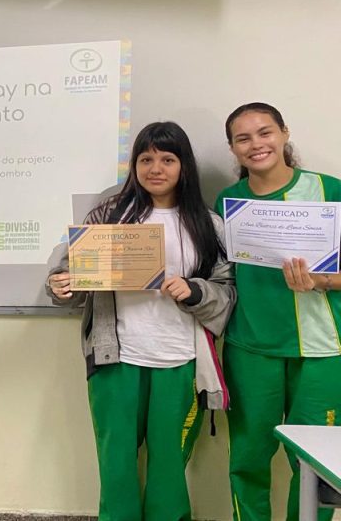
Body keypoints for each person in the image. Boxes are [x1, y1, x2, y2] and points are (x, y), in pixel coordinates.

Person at [46, 121, 235, 520]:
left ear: (184, 165)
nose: (155, 168)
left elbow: (227, 290)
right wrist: (62, 285)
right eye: (145, 159)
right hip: (116, 356)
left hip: (180, 357)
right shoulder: (109, 215)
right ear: (134, 165)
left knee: (169, 464)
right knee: (115, 462)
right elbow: (72, 274)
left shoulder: (208, 224)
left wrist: (195, 291)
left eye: (167, 159)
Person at [216, 102, 341, 521]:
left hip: (321, 352)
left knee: (316, 466)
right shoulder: (228, 200)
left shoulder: (330, 191)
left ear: (284, 133)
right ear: (233, 148)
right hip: (250, 349)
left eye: (265, 132)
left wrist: (322, 281)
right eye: (243, 138)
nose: (256, 144)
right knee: (248, 458)